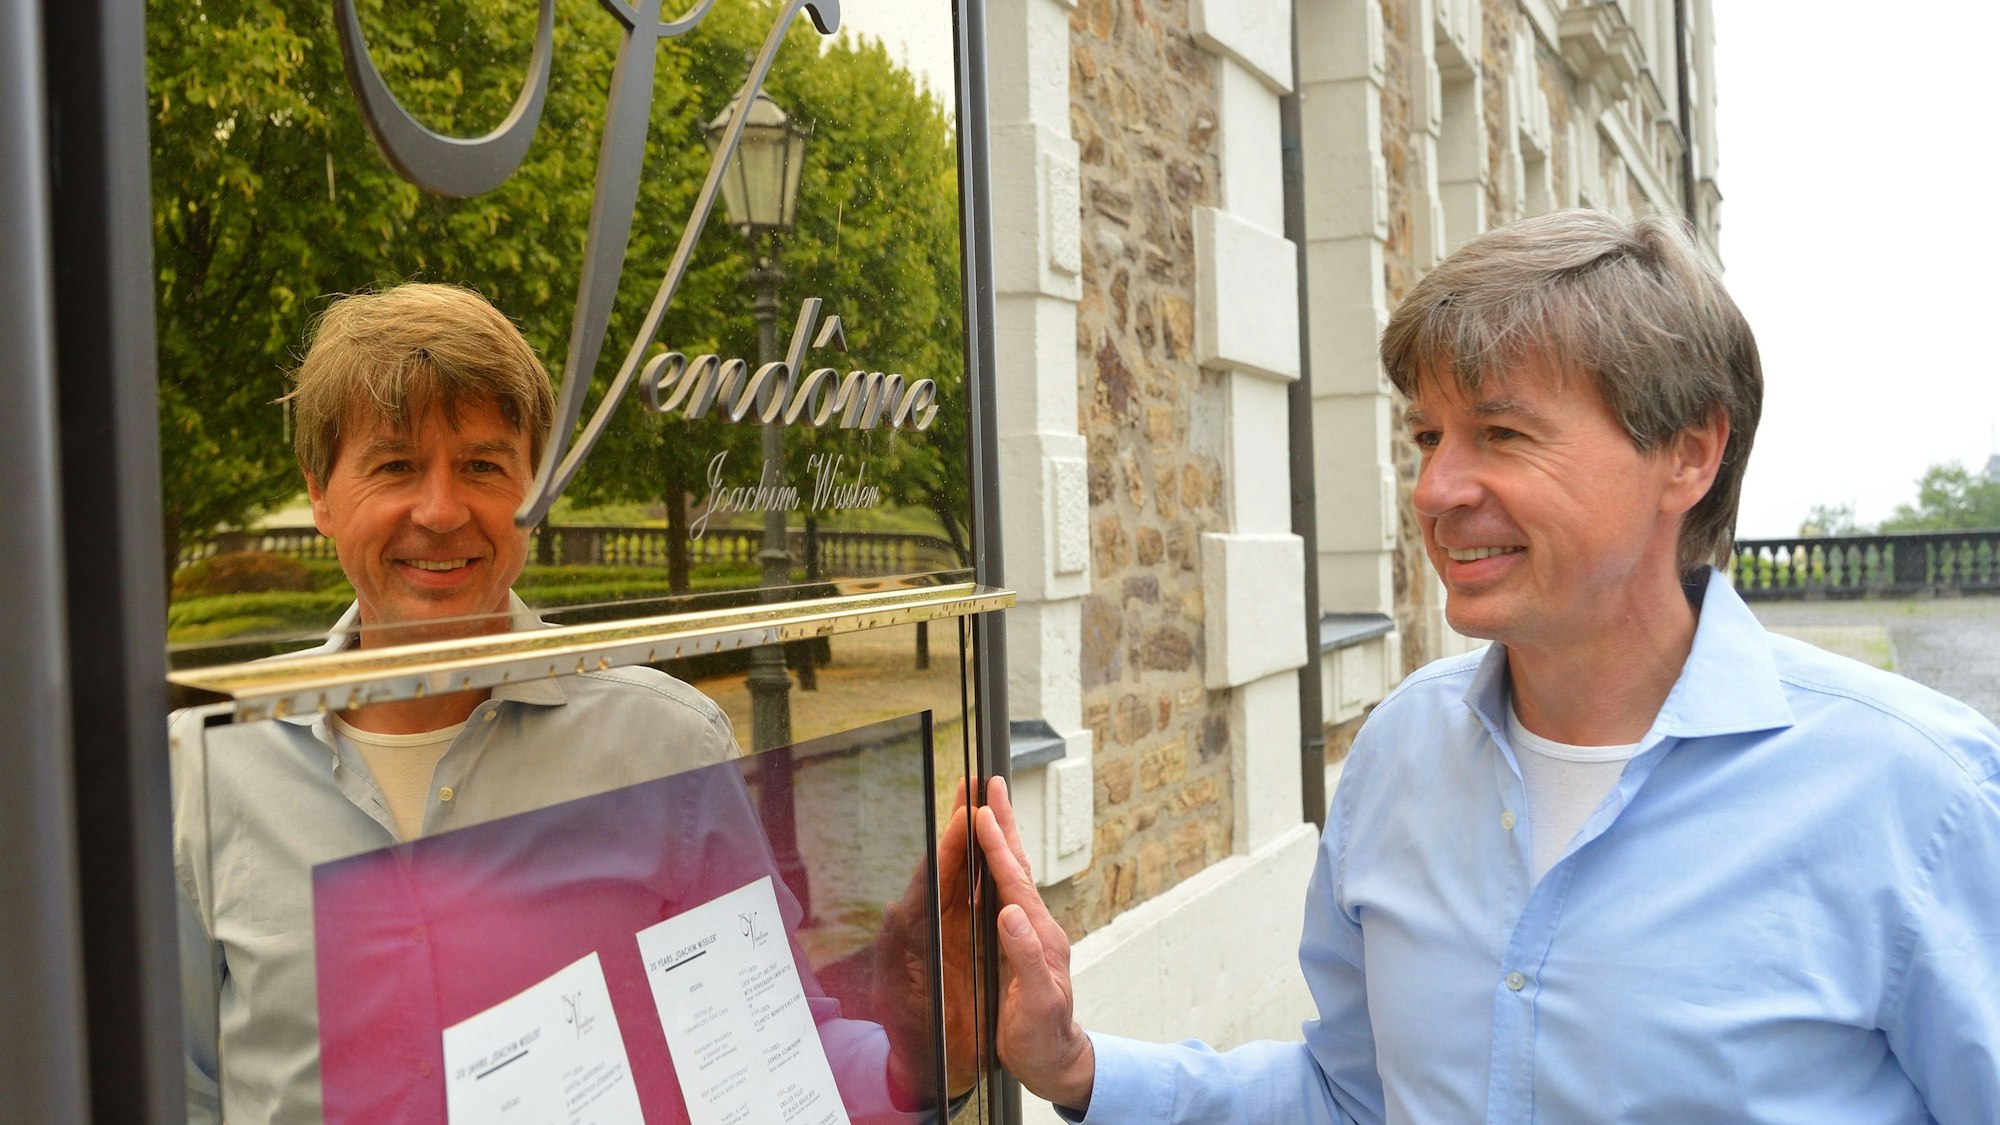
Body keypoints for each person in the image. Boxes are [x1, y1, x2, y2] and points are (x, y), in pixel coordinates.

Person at [973, 210, 2000, 1123]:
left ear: (1686, 455)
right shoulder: (1399, 753)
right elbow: (1351, 1098)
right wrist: (1079, 1069)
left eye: (1499, 433)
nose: (1433, 488)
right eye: (1427, 435)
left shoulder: (1916, 797)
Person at [170, 284, 961, 1123]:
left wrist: (923, 1056)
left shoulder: (663, 751)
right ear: (321, 495)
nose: (441, 511)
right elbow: (179, 1085)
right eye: (396, 465)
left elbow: (777, 1059)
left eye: (482, 465)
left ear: (536, 492)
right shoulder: (210, 758)